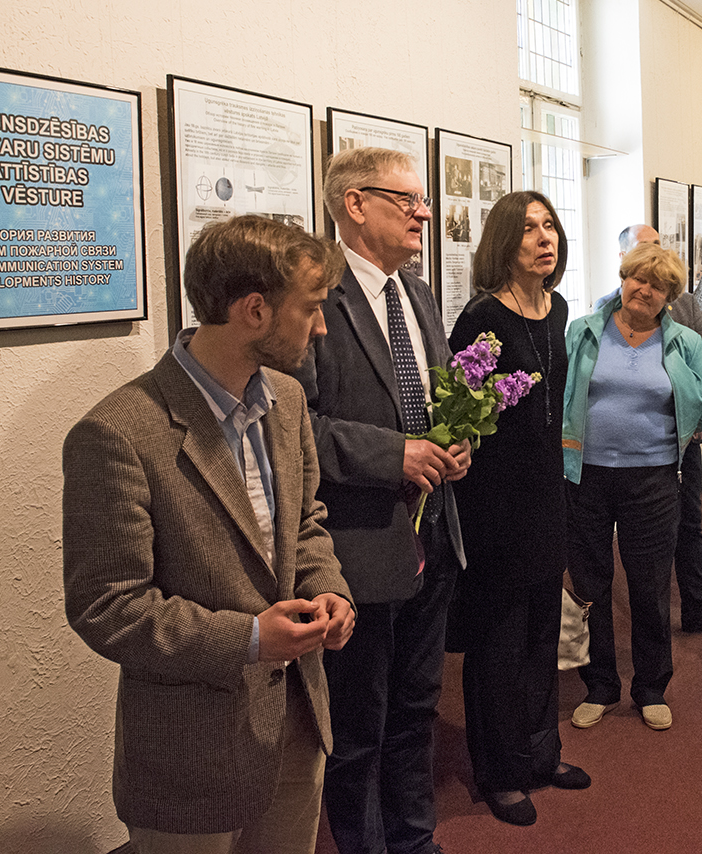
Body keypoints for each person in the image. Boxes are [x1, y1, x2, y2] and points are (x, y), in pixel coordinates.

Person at [62, 215, 356, 853]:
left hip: (296, 724)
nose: (323, 326)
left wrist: (330, 590)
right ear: (255, 310)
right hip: (189, 749)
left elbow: (303, 525)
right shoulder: (118, 433)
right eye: (311, 309)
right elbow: (105, 606)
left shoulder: (286, 398)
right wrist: (250, 639)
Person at [292, 147, 470, 854]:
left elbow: (439, 397)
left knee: (418, 708)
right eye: (407, 200)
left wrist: (458, 444)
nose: (424, 212)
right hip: (357, 546)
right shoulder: (314, 295)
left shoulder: (417, 293)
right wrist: (390, 454)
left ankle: (414, 839)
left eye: (423, 201)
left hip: (434, 535)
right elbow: (295, 420)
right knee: (358, 725)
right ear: (355, 204)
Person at [448, 191, 589, 827]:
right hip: (495, 503)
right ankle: (500, 772)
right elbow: (459, 416)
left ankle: (540, 753)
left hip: (546, 494)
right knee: (497, 641)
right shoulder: (481, 318)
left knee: (541, 633)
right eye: (529, 228)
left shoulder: (556, 310)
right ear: (505, 242)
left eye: (550, 226)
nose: (544, 237)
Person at [564, 243, 702, 731]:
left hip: (653, 478)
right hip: (584, 475)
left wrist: (688, 421)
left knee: (650, 586)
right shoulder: (583, 332)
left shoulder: (684, 342)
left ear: (669, 296)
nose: (645, 290)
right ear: (623, 278)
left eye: (658, 286)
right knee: (590, 583)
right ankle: (601, 684)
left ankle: (651, 686)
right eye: (638, 279)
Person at [595, 224, 702, 637]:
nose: (654, 263)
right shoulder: (600, 312)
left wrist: (698, 419)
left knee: (688, 522)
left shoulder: (686, 304)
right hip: (615, 455)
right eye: (643, 253)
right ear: (623, 261)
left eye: (659, 249)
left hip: (678, 442)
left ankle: (694, 605)